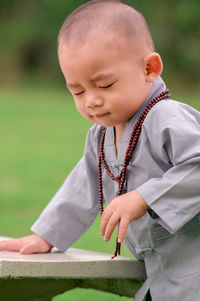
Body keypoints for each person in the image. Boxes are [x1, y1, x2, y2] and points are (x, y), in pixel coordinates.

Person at [0, 1, 200, 300]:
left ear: (149, 68)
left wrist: (144, 197)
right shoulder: (101, 135)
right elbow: (83, 186)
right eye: (77, 91)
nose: (91, 100)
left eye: (104, 85)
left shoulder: (165, 117)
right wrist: (47, 236)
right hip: (160, 272)